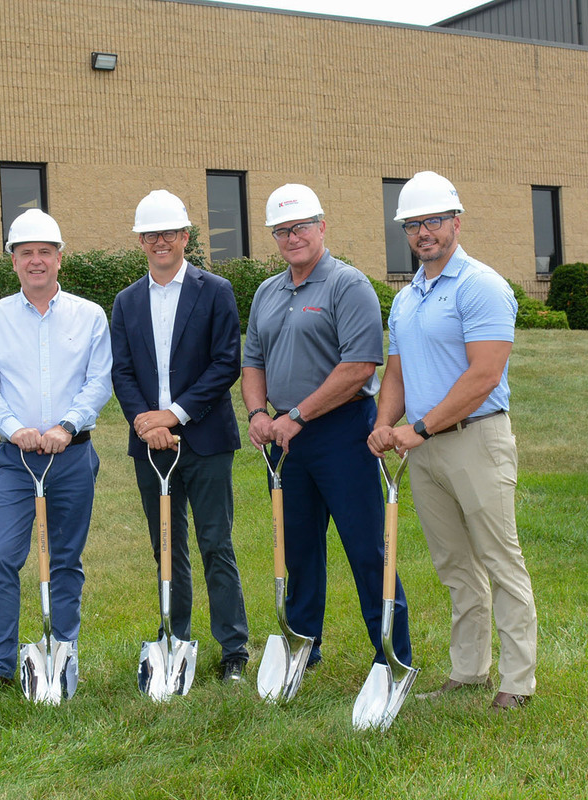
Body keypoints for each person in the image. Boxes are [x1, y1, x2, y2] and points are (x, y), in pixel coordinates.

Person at [367, 170, 537, 712]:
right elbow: (396, 372)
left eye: (434, 221)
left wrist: (417, 428)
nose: (424, 232)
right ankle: (469, 671)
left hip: (474, 438)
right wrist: (383, 422)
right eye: (413, 224)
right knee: (454, 566)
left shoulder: (481, 285)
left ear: (456, 223)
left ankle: (518, 681)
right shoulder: (407, 295)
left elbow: (483, 376)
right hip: (424, 448)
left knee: (499, 560)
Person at [241, 183, 411, 673]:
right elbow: (253, 362)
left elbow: (359, 366)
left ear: (321, 227)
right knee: (297, 547)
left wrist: (296, 416)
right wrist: (258, 414)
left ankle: (390, 653)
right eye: (282, 230)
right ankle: (303, 647)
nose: (292, 237)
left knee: (366, 547)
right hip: (286, 440)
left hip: (342, 432)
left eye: (300, 227)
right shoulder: (268, 292)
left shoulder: (348, 284)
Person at [0, 209, 113, 697]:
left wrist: (67, 426)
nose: (35, 261)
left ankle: (61, 654)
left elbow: (98, 382)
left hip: (72, 456)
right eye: (25, 253)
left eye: (44, 253)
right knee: (3, 556)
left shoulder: (89, 315)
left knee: (66, 559)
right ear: (12, 262)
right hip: (17, 458)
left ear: (59, 259)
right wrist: (15, 429)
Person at [111, 190, 249, 681]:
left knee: (216, 542)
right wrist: (147, 424)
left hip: (206, 438)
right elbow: (122, 372)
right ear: (141, 241)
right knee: (166, 546)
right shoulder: (126, 301)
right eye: (151, 235)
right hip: (149, 446)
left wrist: (173, 416)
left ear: (186, 237)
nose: (160, 241)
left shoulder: (215, 291)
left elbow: (224, 364)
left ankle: (233, 646)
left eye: (169, 233)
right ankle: (177, 637)